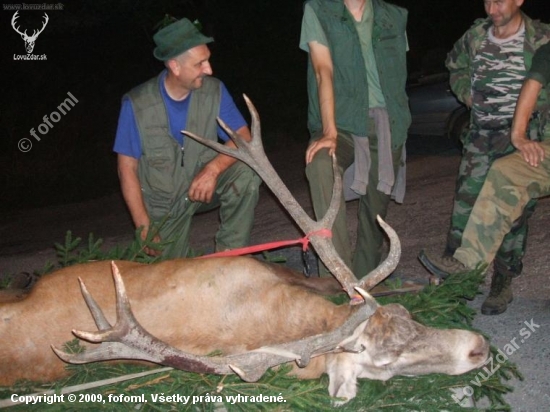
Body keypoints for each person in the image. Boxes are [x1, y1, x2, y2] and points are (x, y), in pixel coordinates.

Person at [419, 0, 550, 314]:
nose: (494, 7)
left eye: (501, 1)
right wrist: (467, 93)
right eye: (488, 0)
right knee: (466, 208)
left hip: (523, 138)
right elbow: (455, 67)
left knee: (514, 214)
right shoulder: (475, 35)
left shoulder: (541, 37)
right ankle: (455, 286)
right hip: (481, 136)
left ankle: (501, 285)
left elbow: (537, 84)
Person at [113, 18, 261, 258]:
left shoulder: (214, 90)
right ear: (175, 65)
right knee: (168, 280)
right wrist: (143, 225)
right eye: (200, 63)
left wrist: (213, 170)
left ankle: (230, 258)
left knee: (246, 171)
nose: (209, 69)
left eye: (208, 60)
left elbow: (243, 137)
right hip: (164, 207)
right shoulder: (137, 105)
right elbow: (126, 168)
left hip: (201, 187)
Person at [300, 0, 410, 277]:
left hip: (387, 123)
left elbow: (396, 74)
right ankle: (338, 275)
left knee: (376, 212)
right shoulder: (320, 11)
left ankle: (364, 282)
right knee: (321, 165)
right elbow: (322, 70)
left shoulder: (393, 16)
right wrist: (329, 131)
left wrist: (399, 122)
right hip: (341, 122)